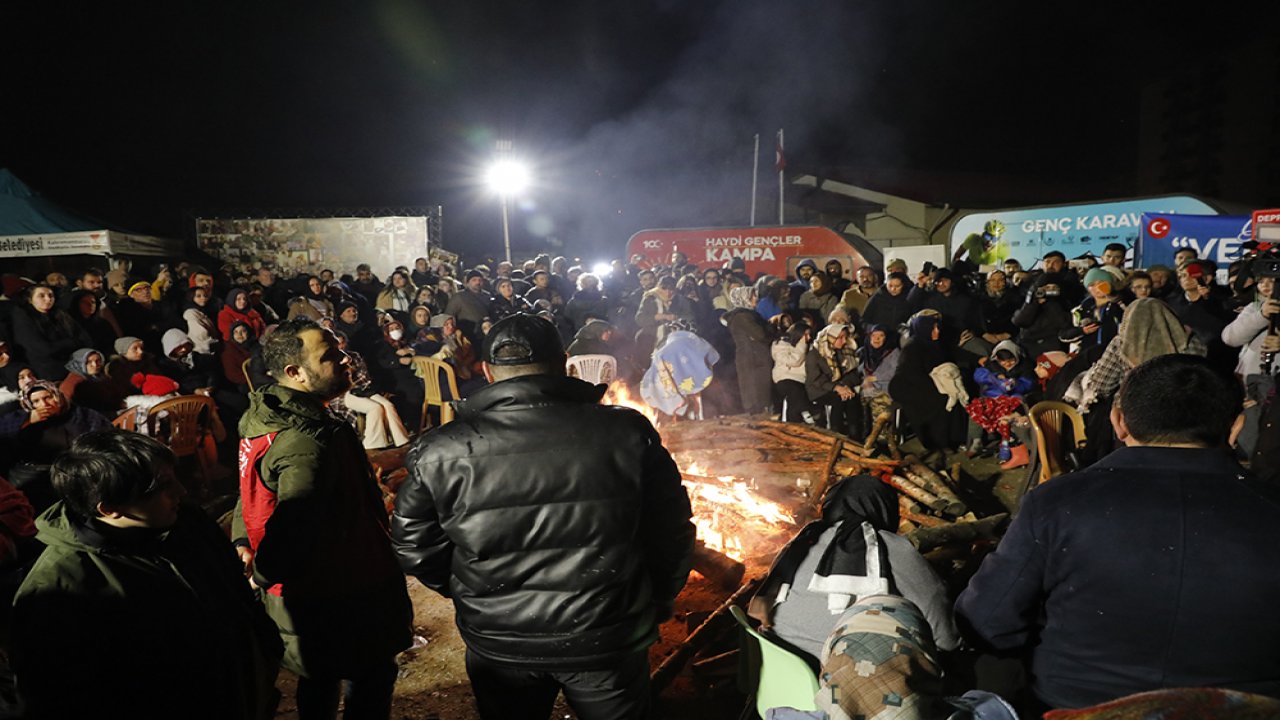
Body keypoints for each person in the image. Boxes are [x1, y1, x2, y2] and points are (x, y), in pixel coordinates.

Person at [392, 314, 694, 720]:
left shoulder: (440, 449)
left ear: (487, 372)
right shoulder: (626, 431)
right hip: (606, 637)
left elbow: (414, 546)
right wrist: (657, 597)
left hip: (501, 640)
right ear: (565, 363)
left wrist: (475, 592)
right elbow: (671, 532)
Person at [956, 354, 1280, 712]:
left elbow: (987, 623)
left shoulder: (1057, 502)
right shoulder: (1270, 507)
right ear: (1236, 427)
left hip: (1074, 709)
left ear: (1118, 421)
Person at [11, 430, 282, 719]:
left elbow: (238, 602)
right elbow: (58, 698)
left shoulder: (188, 522)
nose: (182, 491)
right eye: (163, 486)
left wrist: (263, 663)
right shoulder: (58, 588)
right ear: (110, 508)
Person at [233, 318, 412, 720]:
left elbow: (251, 487)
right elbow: (295, 520)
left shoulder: (267, 418)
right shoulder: (308, 439)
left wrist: (243, 540)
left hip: (312, 591)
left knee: (320, 675)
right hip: (340, 589)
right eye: (330, 355)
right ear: (295, 372)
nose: (345, 360)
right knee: (370, 675)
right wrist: (262, 573)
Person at [752, 475, 959, 662]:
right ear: (884, 509)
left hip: (776, 671)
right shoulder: (892, 549)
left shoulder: (801, 542)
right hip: (844, 684)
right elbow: (946, 638)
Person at [723, 286, 775, 415]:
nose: (756, 299)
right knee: (757, 394)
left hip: (752, 356)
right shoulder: (743, 317)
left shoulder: (746, 315)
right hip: (754, 358)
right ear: (744, 298)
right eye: (753, 296)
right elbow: (761, 335)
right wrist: (771, 327)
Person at [805, 323, 862, 438]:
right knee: (838, 399)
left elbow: (849, 373)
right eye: (840, 338)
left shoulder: (840, 352)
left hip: (838, 386)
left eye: (845, 337)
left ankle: (855, 435)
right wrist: (836, 388)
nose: (844, 341)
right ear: (830, 337)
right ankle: (836, 434)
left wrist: (845, 386)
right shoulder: (814, 354)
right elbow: (816, 379)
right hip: (819, 390)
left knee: (850, 397)